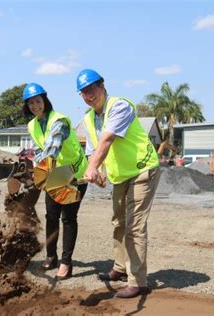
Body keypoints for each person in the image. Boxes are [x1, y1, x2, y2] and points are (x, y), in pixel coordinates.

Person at [77, 69, 160, 298]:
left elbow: (108, 138)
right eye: (83, 92)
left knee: (134, 226)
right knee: (118, 222)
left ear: (102, 86)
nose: (88, 95)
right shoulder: (88, 118)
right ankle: (120, 268)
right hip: (121, 175)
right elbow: (94, 149)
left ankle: (138, 282)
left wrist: (92, 168)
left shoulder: (119, 106)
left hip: (142, 168)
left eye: (91, 89)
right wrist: (99, 171)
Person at [22, 83, 88, 280]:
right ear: (27, 105)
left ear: (45, 100)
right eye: (31, 103)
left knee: (68, 217)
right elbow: (39, 149)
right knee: (51, 215)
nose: (35, 105)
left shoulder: (59, 121)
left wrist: (40, 169)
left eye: (38, 101)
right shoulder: (32, 125)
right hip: (55, 174)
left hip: (74, 174)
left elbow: (52, 147)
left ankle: (66, 263)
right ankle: (51, 256)